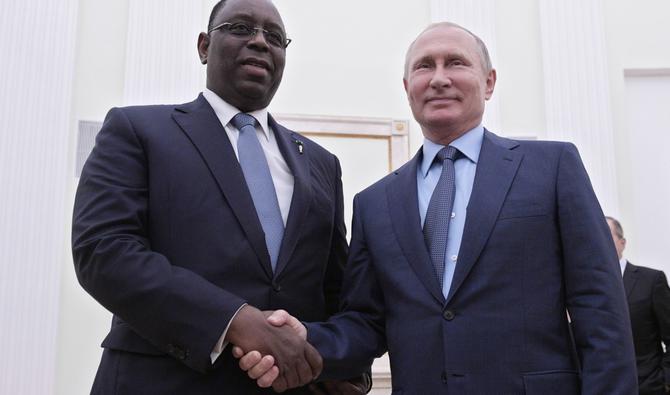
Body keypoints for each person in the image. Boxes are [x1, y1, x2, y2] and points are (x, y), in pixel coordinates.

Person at [238, 21, 638, 394]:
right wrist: (304, 339)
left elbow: (600, 310)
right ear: (408, 86)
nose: (440, 78)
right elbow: (366, 322)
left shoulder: (551, 167)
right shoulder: (374, 204)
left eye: (456, 63)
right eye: (424, 66)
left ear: (489, 81)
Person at [72, 0, 369, 393]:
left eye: (275, 37)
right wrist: (236, 320)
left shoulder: (321, 164)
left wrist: (337, 368)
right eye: (241, 28)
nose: (261, 42)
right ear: (203, 47)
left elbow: (333, 290)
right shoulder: (138, 130)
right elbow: (104, 251)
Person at [607, 216, 670, 394]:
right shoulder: (583, 287)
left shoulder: (651, 281)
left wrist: (665, 382)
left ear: (622, 242)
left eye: (606, 236)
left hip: (648, 387)